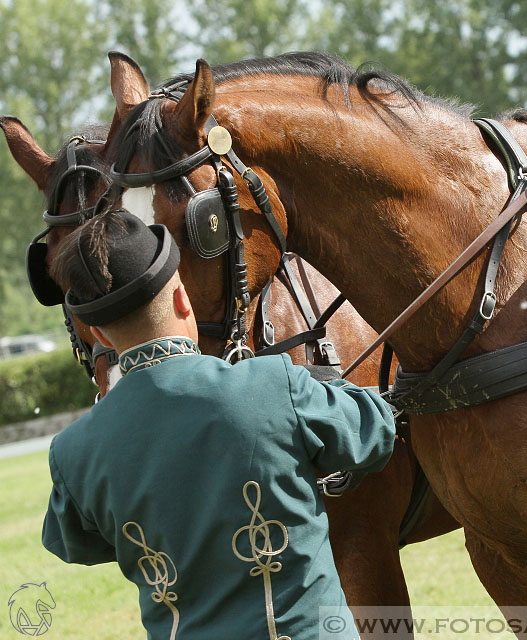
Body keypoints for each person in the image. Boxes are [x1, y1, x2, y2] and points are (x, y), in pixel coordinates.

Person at [41, 209, 395, 639]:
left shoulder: (73, 451)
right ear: (181, 298)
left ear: (96, 333)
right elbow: (373, 433)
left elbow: (76, 542)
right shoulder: (273, 384)